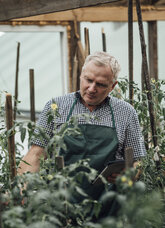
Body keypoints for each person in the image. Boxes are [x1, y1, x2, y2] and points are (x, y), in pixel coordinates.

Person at [18, 51, 146, 184]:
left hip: (109, 198)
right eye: (89, 80)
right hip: (62, 198)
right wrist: (20, 189)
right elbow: (36, 154)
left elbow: (138, 161)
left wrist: (129, 175)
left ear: (112, 86)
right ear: (81, 76)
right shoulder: (55, 106)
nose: (91, 89)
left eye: (100, 84)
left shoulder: (126, 112)